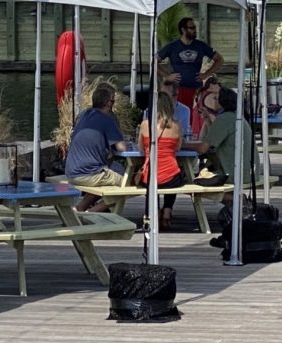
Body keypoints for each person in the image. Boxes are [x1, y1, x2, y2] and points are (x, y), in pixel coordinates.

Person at [65, 81, 129, 210]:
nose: (113, 104)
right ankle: (92, 212)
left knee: (106, 173)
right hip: (89, 174)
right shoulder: (107, 119)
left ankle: (81, 207)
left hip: (71, 172)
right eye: (112, 101)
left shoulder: (84, 115)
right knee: (130, 184)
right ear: (108, 103)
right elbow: (122, 148)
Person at [157, 17, 223, 136]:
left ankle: (196, 141)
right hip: (177, 89)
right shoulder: (172, 46)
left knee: (196, 118)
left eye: (195, 28)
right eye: (191, 28)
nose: (195, 30)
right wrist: (167, 76)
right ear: (183, 30)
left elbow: (219, 60)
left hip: (196, 89)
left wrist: (206, 74)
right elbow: (153, 62)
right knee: (179, 115)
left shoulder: (201, 46)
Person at [138, 91, 189, 232]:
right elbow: (178, 147)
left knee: (152, 182)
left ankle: (153, 212)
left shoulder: (145, 125)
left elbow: (141, 148)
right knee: (176, 174)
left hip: (149, 176)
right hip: (170, 176)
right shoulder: (177, 125)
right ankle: (167, 210)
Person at [196, 84, 253, 190]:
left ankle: (237, 201)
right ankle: (236, 203)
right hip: (247, 171)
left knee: (192, 180)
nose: (212, 101)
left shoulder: (224, 119)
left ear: (221, 102)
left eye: (215, 99)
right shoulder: (236, 116)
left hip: (233, 173)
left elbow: (204, 147)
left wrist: (183, 144)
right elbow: (214, 137)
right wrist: (208, 119)